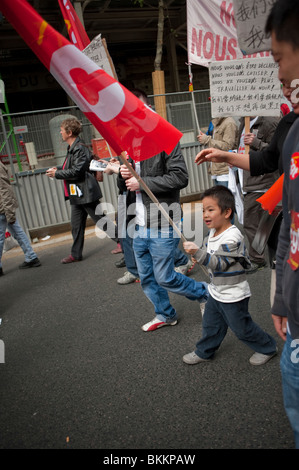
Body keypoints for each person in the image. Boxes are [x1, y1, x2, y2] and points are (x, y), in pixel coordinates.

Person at [118, 140, 208, 331]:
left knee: (165, 277)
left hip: (163, 222)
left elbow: (180, 177)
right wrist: (122, 174)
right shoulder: (131, 146)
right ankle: (165, 314)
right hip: (139, 224)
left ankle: (205, 293)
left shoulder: (165, 141)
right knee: (147, 277)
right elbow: (125, 186)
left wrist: (141, 182)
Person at [182, 186, 277, 366]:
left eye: (211, 210)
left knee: (242, 328)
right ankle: (204, 351)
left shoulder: (232, 237)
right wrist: (198, 252)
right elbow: (207, 253)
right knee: (211, 326)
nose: (205, 215)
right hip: (217, 291)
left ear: (227, 212)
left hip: (233, 295)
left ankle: (268, 347)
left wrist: (198, 253)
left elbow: (220, 263)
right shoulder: (212, 232)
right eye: (203, 210)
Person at [264, 0, 299, 448]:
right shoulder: (293, 132)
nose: (278, 75)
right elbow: (291, 225)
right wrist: (280, 297)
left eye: (278, 59)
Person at [46, 118, 115, 263]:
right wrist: (57, 169)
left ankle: (124, 242)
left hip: (85, 192)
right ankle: (76, 254)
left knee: (100, 220)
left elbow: (77, 171)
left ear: (69, 133)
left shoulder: (79, 148)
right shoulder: (73, 147)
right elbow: (72, 167)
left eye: (62, 130)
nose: (60, 132)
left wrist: (56, 174)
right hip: (78, 192)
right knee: (76, 224)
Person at [236, 115, 280, 272]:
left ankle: (262, 258)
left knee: (267, 226)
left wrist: (256, 142)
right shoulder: (242, 122)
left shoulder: (270, 122)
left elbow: (277, 153)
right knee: (255, 225)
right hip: (246, 181)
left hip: (265, 183)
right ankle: (261, 257)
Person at [0, 160, 41, 274]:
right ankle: (31, 257)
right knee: (17, 231)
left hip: (2, 209)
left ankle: (31, 257)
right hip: (4, 208)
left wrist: (9, 212)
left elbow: (4, 190)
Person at [197, 116, 238, 187]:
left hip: (226, 171)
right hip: (217, 169)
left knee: (225, 197)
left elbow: (228, 146)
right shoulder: (216, 122)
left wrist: (207, 140)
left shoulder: (229, 123)